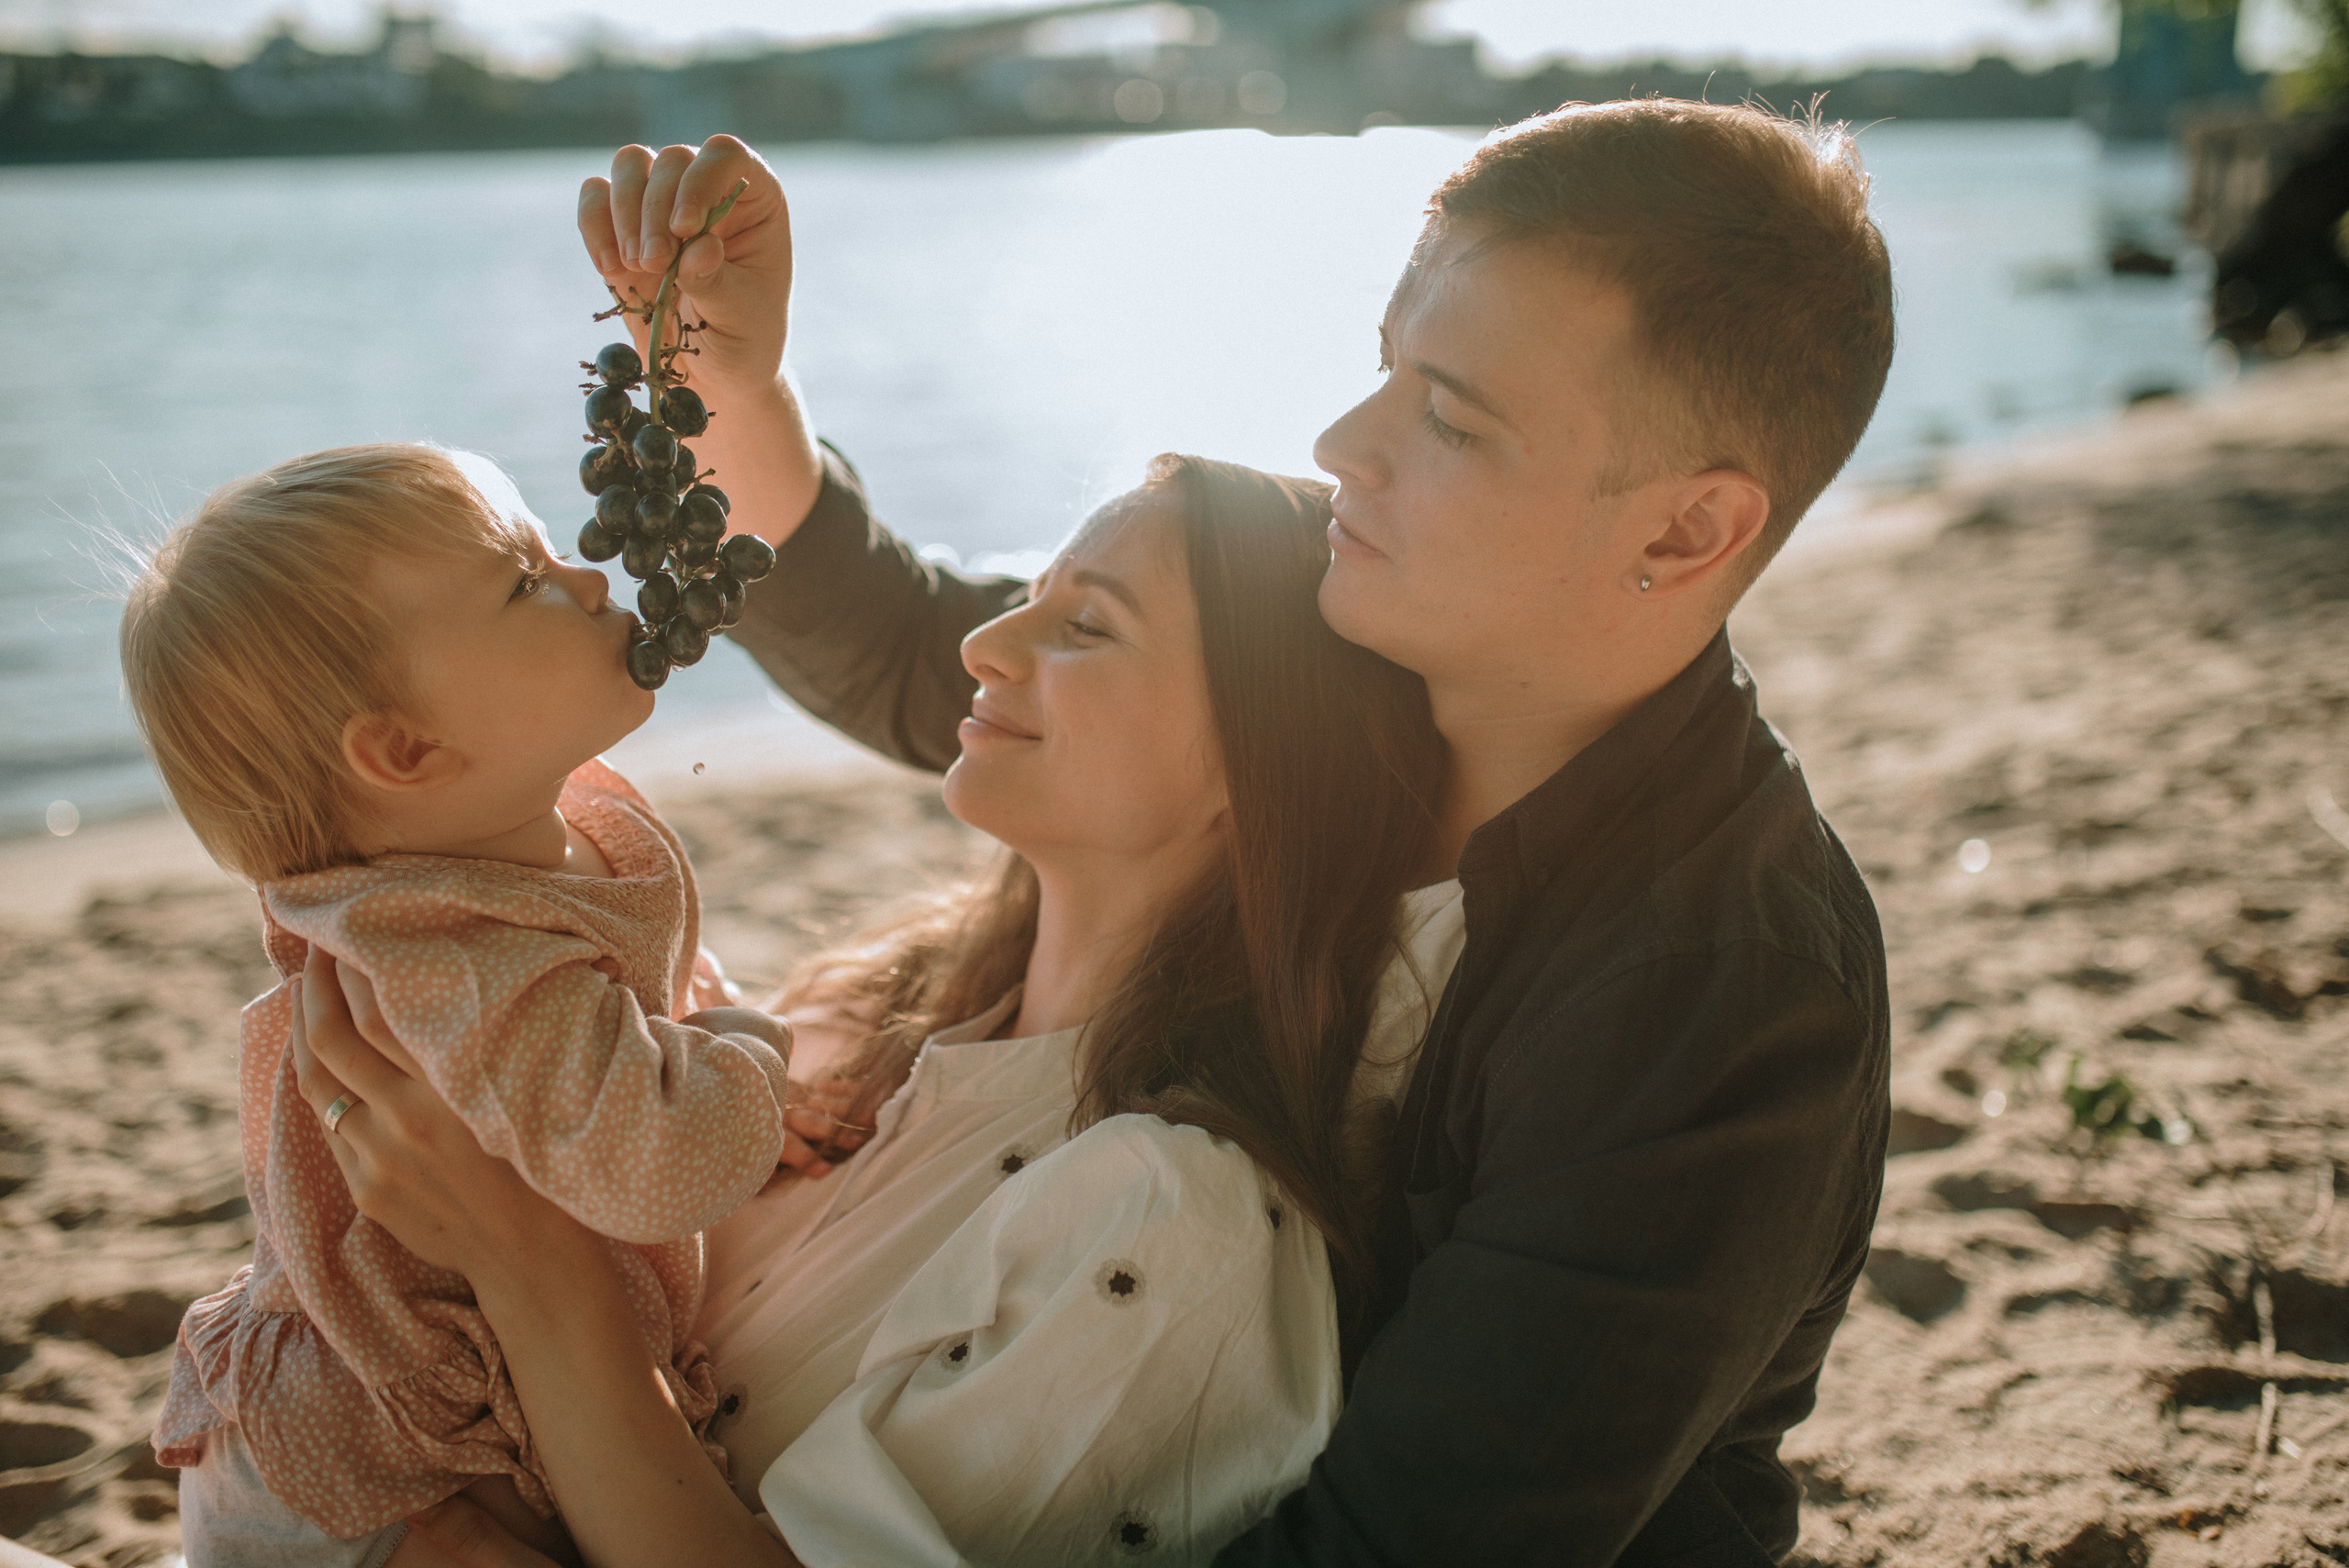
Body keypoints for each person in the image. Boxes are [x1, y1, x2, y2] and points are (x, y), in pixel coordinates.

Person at [573, 95, 1898, 1565]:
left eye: (1452, 418)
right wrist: (731, 381)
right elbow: (925, 649)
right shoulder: (1362, 652)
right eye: (1385, 367)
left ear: (1683, 532)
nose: (1342, 442)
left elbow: (1410, 1545)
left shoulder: (1716, 985)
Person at [294, 454, 1461, 1566]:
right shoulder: (860, 1014)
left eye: (1088, 625)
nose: (985, 642)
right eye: (1030, 594)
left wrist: (526, 1256)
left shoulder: (1171, 1219)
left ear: (1267, 753)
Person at [117, 444, 796, 1567]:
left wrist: (670, 1012)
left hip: (419, 1426)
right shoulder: (450, 952)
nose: (588, 574)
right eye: (525, 581)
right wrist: (746, 1048)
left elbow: (584, 1008)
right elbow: (659, 1163)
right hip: (367, 1484)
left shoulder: (506, 832)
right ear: (407, 749)